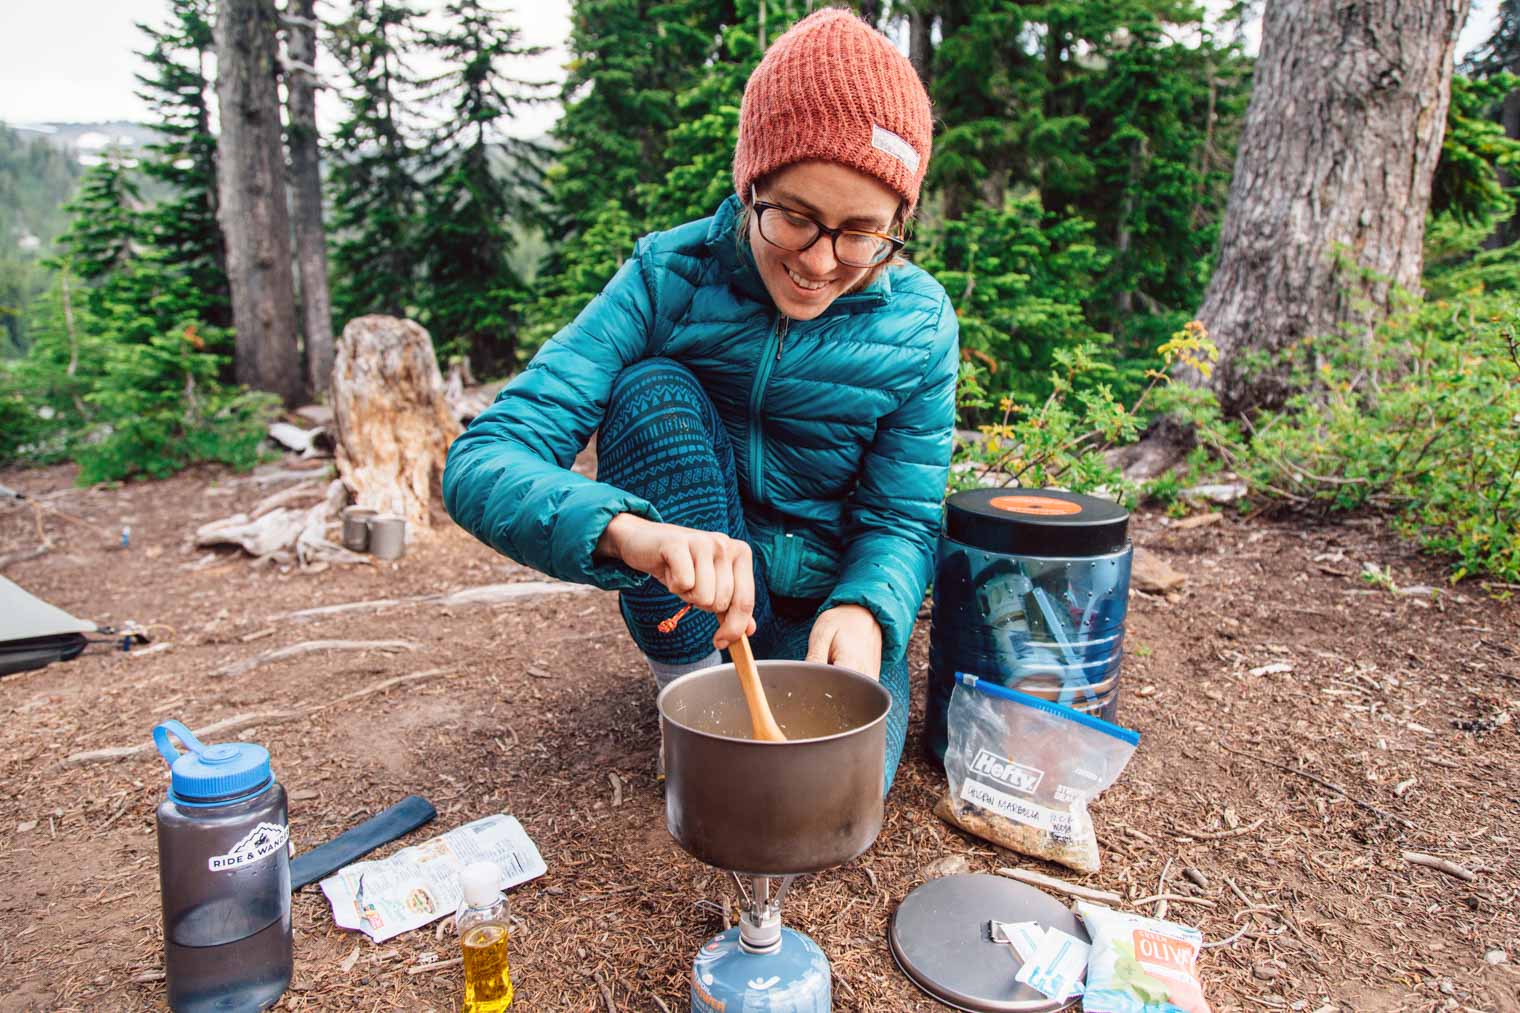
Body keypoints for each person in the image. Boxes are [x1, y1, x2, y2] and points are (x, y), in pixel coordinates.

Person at [443, 7, 959, 790]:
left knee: (836, 795)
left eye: (861, 234)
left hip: (827, 609)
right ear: (750, 181)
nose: (821, 262)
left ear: (898, 223)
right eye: (794, 217)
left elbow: (901, 516)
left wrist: (867, 609)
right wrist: (625, 533)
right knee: (652, 391)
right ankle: (684, 690)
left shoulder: (920, 325)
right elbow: (483, 459)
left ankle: (783, 678)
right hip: (698, 606)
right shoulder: (666, 278)